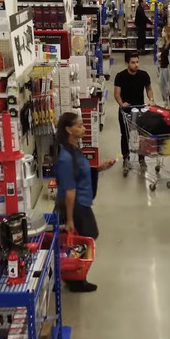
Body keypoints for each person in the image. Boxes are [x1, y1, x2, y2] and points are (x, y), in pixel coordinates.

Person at [55, 112, 115, 293]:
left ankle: (74, 275)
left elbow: (80, 171)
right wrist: (71, 220)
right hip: (76, 205)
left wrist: (99, 168)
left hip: (82, 202)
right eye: (79, 126)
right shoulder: (66, 156)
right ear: (68, 129)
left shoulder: (73, 149)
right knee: (86, 236)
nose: (84, 128)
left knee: (83, 238)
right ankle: (75, 278)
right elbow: (70, 190)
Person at [114, 51, 154, 171]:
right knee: (125, 135)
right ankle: (126, 158)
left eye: (137, 62)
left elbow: (149, 89)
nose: (136, 65)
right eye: (133, 62)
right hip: (126, 110)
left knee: (142, 135)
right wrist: (122, 104)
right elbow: (117, 93)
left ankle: (142, 159)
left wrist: (151, 99)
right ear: (127, 63)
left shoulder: (143, 75)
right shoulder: (120, 76)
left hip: (141, 109)